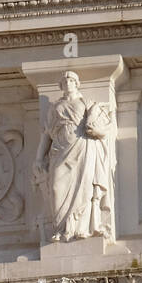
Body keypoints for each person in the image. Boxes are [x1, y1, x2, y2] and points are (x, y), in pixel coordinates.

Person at [33, 70, 116, 242]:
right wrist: (39, 158)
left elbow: (104, 129)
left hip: (82, 149)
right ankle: (60, 229)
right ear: (61, 85)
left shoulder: (88, 103)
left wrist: (96, 131)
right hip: (59, 151)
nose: (68, 83)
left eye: (71, 80)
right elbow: (46, 134)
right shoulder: (55, 107)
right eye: (65, 81)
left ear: (77, 83)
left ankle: (80, 229)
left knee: (83, 190)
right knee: (56, 188)